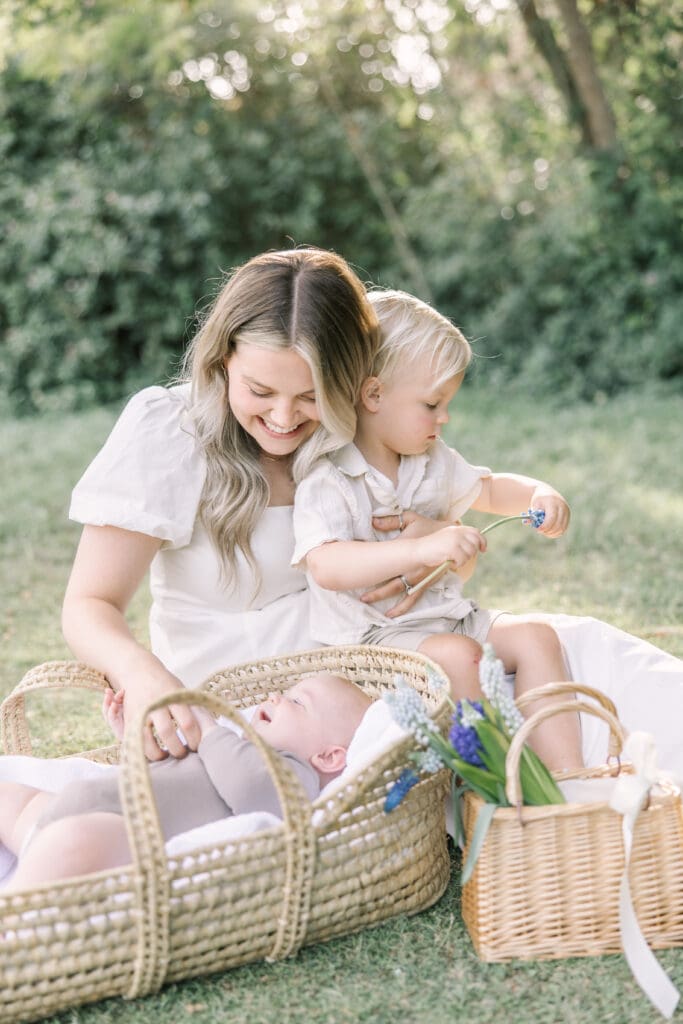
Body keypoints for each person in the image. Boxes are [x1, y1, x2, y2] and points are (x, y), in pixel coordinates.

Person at [59, 247, 383, 762]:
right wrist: (142, 675)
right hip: (217, 734)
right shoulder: (172, 431)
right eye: (260, 390)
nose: (284, 418)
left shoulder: (360, 429)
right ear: (222, 360)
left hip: (348, 727)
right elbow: (88, 606)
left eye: (311, 396)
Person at [292, 288, 583, 771]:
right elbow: (326, 564)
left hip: (448, 617)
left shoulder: (431, 460)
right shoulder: (331, 478)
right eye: (432, 403)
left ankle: (567, 778)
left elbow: (490, 489)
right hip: (374, 642)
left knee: (537, 637)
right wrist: (421, 549)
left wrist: (539, 493)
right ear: (374, 395)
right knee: (461, 657)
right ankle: (492, 786)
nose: (444, 417)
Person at [0, 673, 372, 891]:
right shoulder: (232, 748)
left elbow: (253, 789)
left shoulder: (292, 774)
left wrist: (208, 726)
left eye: (297, 702)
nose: (276, 697)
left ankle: (15, 911)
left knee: (74, 840)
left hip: (107, 838)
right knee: (8, 795)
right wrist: (131, 739)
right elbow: (162, 774)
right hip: (57, 810)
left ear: (328, 757)